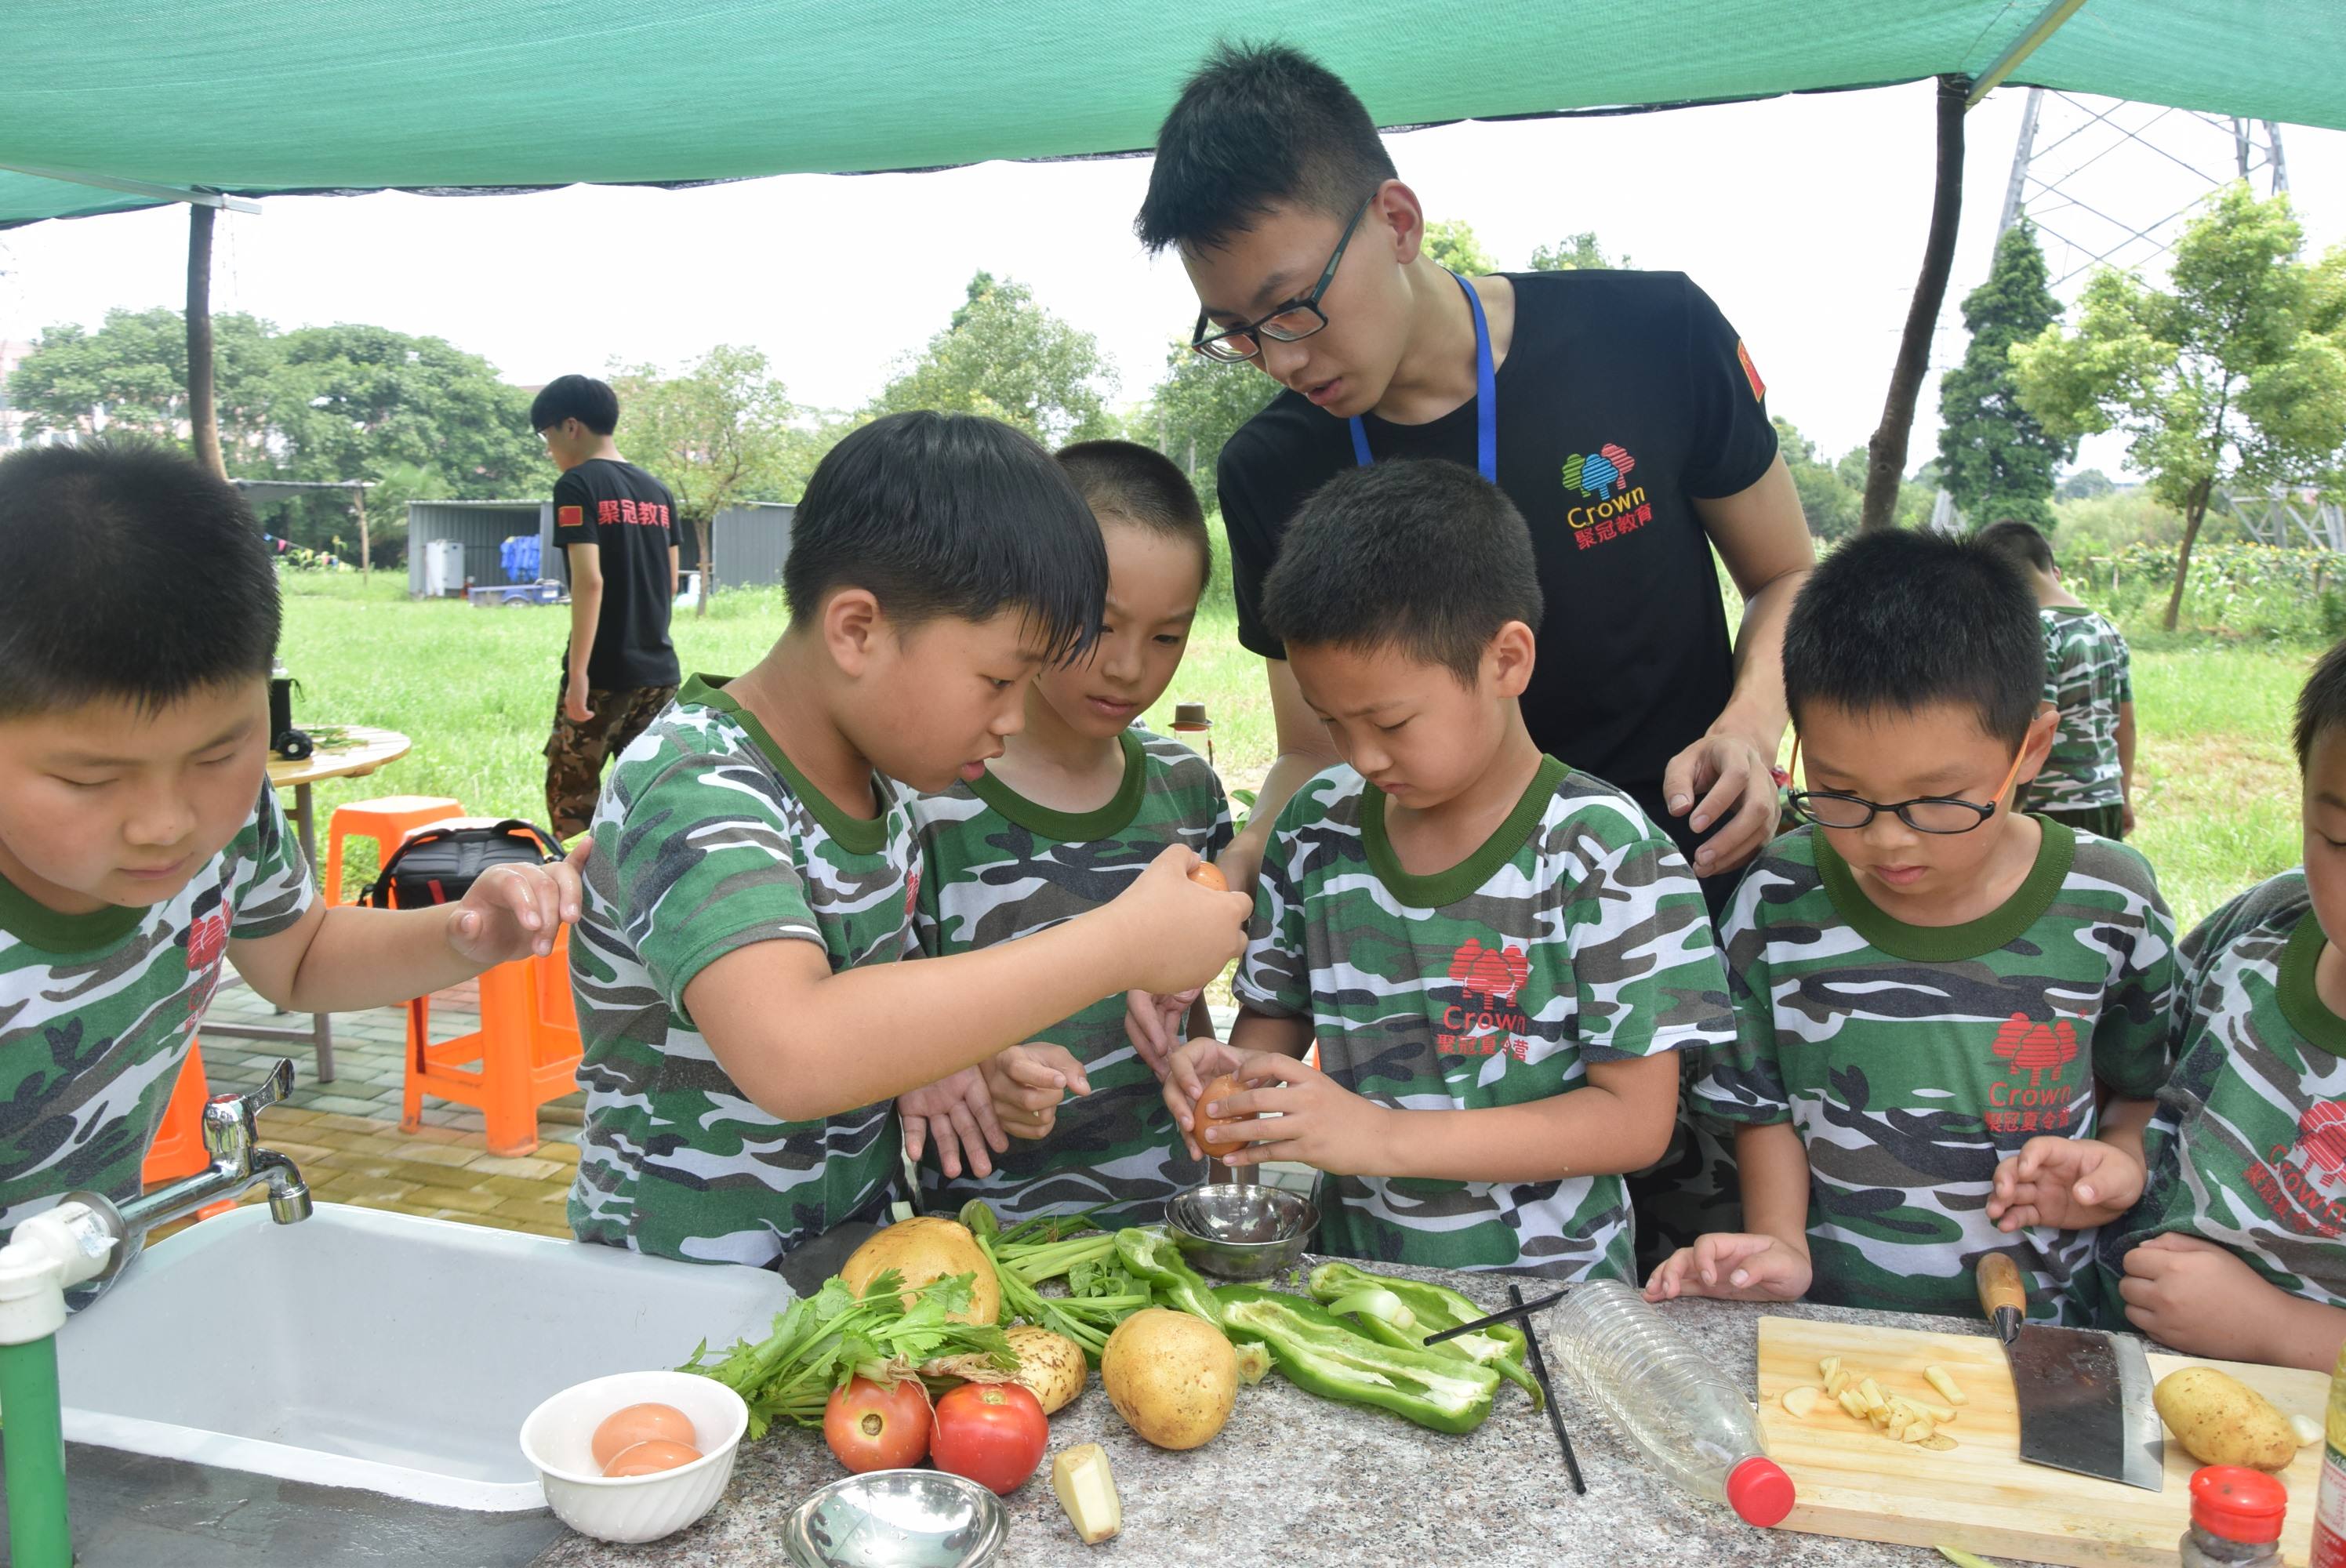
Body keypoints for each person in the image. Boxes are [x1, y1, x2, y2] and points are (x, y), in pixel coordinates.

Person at [1135, 42, 1814, 905]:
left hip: (1685, 874)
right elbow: (1311, 747)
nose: (1279, 358)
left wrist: (1749, 727)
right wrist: (1242, 866)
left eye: (1294, 306)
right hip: (1443, 929)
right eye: (1235, 330)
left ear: (1397, 220)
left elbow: (1786, 572)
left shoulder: (1652, 335)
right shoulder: (1270, 468)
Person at [567, 412, 1249, 1269]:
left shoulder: (880, 786)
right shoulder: (696, 780)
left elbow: (868, 1017)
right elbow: (794, 1048)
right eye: (999, 679)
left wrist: (960, 1057)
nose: (1011, 718)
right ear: (857, 629)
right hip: (672, 1296)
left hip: (834, 1265)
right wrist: (1121, 942)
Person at [0, 441, 586, 1269]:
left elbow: (301, 957)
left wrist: (463, 934)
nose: (167, 824)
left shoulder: (232, 827)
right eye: (90, 777)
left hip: (83, 1303)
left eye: (219, 752)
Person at [1162, 460, 1732, 1279]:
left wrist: (1382, 1136)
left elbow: (1635, 1121)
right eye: (1331, 720)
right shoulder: (1318, 826)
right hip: (1357, 1286)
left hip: (1554, 1301)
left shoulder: (1605, 854)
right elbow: (1272, 1035)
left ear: (1506, 660)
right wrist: (1233, 1082)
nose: (1360, 754)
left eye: (1390, 719)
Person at [1651, 530, 2177, 1322]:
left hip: (2042, 1322)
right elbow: (1759, 1106)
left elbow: (2142, 1086)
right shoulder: (1780, 893)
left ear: (2030, 747)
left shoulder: (2109, 898)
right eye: (1837, 790)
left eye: (1937, 798)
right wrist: (1778, 1240)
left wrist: (2121, 1161)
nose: (1889, 838)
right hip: (1832, 1324)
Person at [902, 441, 1232, 1224]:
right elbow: (877, 1026)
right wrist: (974, 1064)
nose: (1128, 667)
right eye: (1099, 623)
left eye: (1165, 636)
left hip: (1168, 1229)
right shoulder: (928, 801)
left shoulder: (1186, 791)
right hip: (987, 1247)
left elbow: (1185, 1008)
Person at [2065, 638, 2346, 1371]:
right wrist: (2106, 1161)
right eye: (2342, 840)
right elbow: (2138, 1075)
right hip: (2114, 1376)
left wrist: (2274, 1329)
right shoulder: (2266, 924)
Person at [532, 374, 683, 840]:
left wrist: (580, 676)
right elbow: (671, 583)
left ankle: (579, 904)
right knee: (647, 796)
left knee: (573, 797)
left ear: (570, 426)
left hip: (605, 673)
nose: (548, 449)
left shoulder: (577, 485)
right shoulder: (658, 491)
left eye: (546, 436)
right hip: (659, 672)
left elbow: (589, 581)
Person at [1977, 519, 2136, 840]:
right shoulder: (2106, 628)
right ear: (2052, 568)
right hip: (2105, 798)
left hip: (2050, 806)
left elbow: (2035, 721)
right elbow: (2126, 725)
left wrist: (2012, 806)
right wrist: (2124, 795)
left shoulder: (2038, 630)